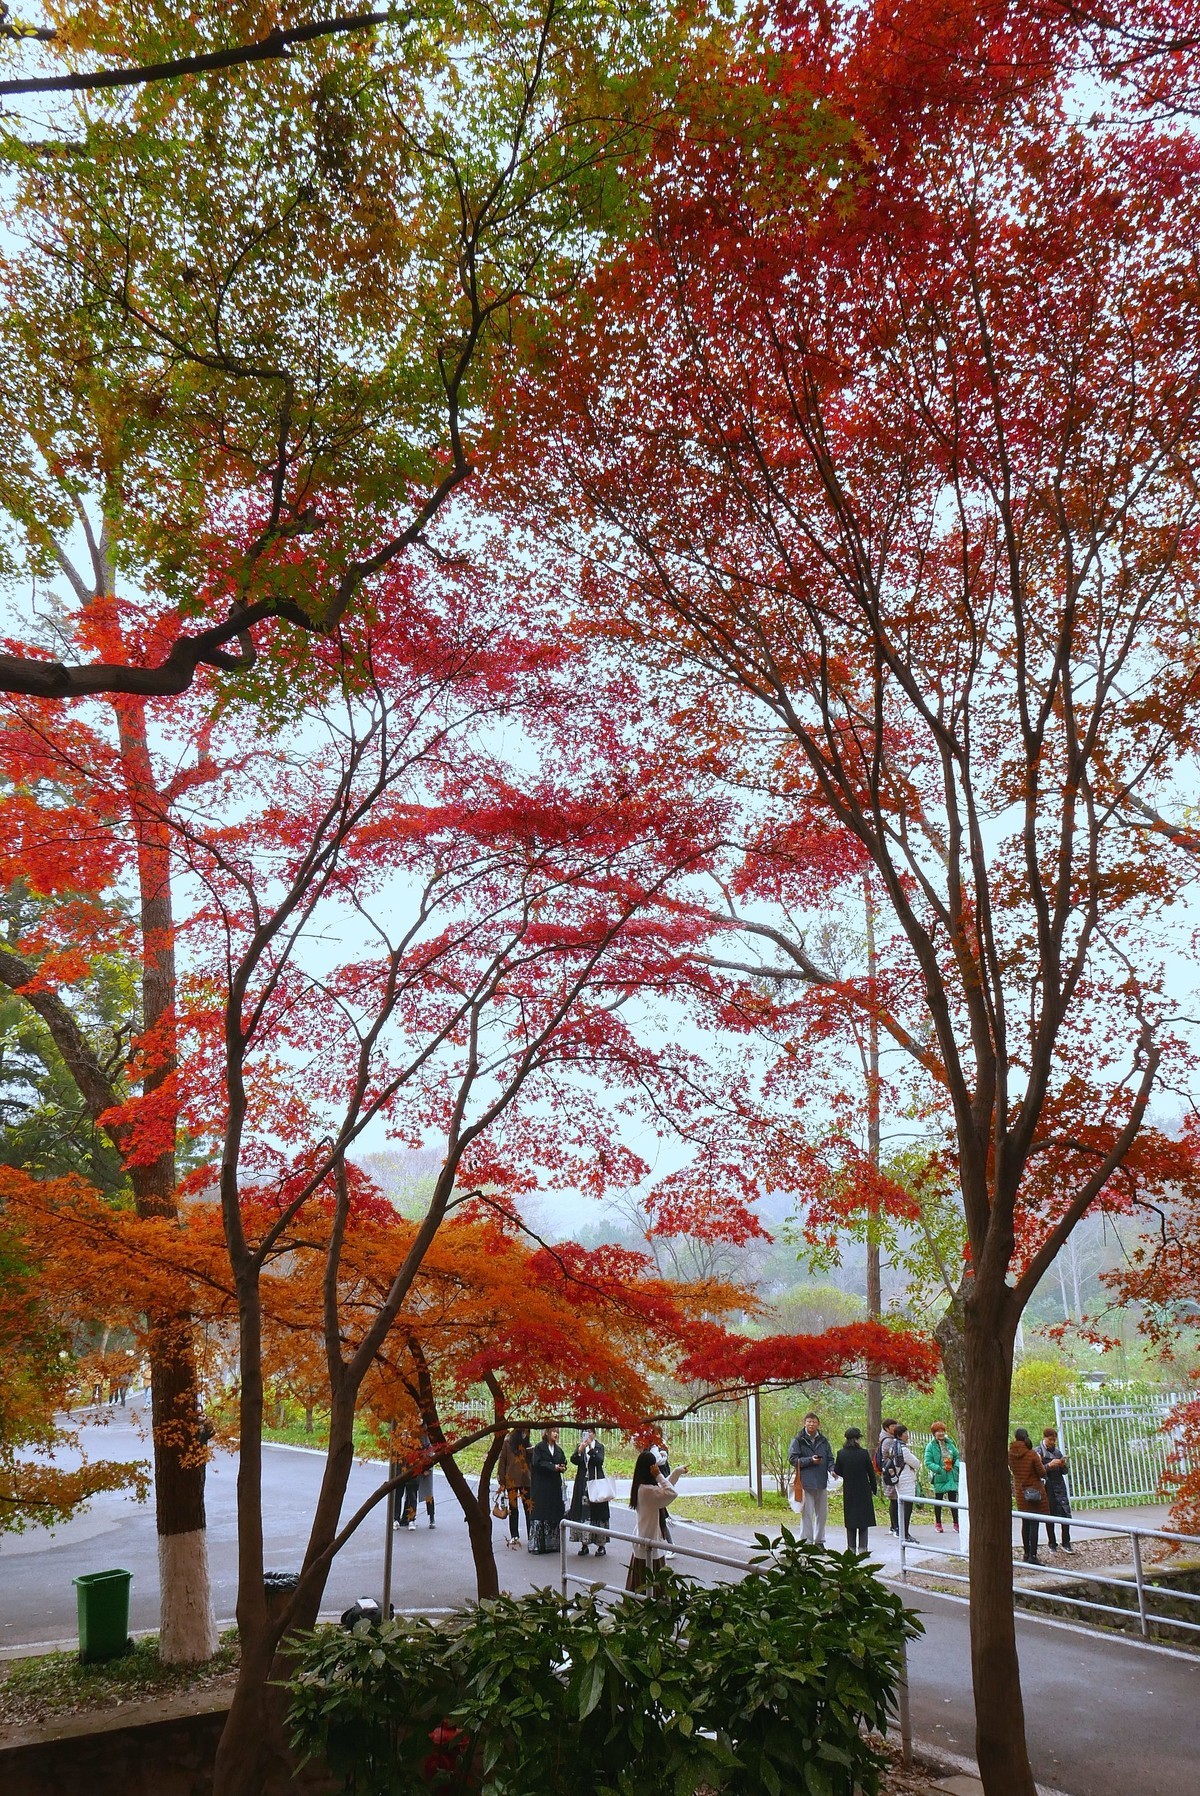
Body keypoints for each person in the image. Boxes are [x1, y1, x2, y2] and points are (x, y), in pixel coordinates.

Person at [625, 1448, 687, 1591]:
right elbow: (670, 1493)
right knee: (651, 1588)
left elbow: (664, 1489)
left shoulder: (642, 1487)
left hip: (644, 1539)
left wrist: (676, 1472)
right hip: (650, 1543)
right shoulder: (648, 1491)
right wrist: (659, 1475)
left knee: (641, 1586)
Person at [788, 1411, 835, 1546]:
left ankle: (819, 1541)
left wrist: (832, 1469)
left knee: (822, 1514)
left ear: (818, 1424)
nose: (811, 1424)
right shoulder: (798, 1440)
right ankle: (807, 1542)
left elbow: (830, 1458)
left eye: (814, 1422)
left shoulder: (823, 1440)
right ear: (804, 1423)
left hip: (821, 1481)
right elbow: (793, 1459)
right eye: (809, 1421)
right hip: (806, 1482)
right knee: (807, 1514)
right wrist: (810, 1460)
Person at [833, 1426, 877, 1554]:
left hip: (849, 1489)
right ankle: (863, 1548)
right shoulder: (863, 1453)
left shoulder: (841, 1453)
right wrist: (873, 1488)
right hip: (863, 1489)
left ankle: (851, 1548)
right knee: (863, 1520)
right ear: (857, 1439)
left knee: (851, 1520)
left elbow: (837, 1470)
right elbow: (870, 1472)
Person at [1009, 1427, 1049, 1564]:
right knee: (1034, 1523)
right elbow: (1042, 1472)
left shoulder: (1010, 1454)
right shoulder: (1032, 1454)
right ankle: (1033, 1555)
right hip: (1034, 1492)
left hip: (1020, 1492)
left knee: (1025, 1523)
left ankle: (1026, 1553)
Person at [568, 1429, 610, 1557]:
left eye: (590, 1432)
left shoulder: (599, 1446)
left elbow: (599, 1461)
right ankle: (584, 1544)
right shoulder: (581, 1446)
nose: (588, 1434)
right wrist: (580, 1450)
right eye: (585, 1432)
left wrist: (591, 1449)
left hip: (596, 1482)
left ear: (594, 1434)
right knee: (583, 1512)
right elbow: (573, 1460)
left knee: (598, 1513)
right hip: (582, 1483)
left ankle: (601, 1545)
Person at [528, 1426, 568, 1554]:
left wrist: (562, 1467)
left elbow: (563, 1461)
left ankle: (553, 1544)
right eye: (553, 1432)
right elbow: (537, 1463)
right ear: (547, 1433)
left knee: (553, 1513)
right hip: (541, 1485)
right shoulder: (539, 1448)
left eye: (557, 1432)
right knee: (540, 1513)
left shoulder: (558, 1450)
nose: (556, 1434)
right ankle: (537, 1545)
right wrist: (552, 1467)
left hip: (554, 1486)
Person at [1037, 1428, 1074, 1553]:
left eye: (1054, 1440)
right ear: (1044, 1438)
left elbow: (1065, 1472)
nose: (1052, 1442)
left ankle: (1066, 1542)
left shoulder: (1057, 1452)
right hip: (1047, 1487)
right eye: (1050, 1440)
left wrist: (1062, 1465)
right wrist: (1049, 1465)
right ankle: (1052, 1543)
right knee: (1049, 1515)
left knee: (1065, 1514)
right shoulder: (1038, 1452)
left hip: (1059, 1486)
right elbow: (1037, 1470)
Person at [497, 1425, 532, 1550]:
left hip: (525, 1480)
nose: (526, 1434)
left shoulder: (527, 1444)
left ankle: (531, 1534)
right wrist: (502, 1480)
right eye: (524, 1432)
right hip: (511, 1481)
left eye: (527, 1432)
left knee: (528, 1508)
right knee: (513, 1508)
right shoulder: (507, 1443)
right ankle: (514, 1535)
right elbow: (502, 1462)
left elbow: (531, 1463)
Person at [922, 1422, 960, 1532]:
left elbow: (957, 1456)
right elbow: (928, 1462)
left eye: (942, 1431)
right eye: (938, 1431)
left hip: (951, 1475)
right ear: (934, 1433)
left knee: (953, 1500)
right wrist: (939, 1469)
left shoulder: (950, 1444)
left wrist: (955, 1467)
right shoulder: (931, 1446)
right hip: (940, 1476)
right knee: (938, 1500)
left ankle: (956, 1523)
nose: (941, 1433)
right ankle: (938, 1523)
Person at [890, 1425, 922, 1541]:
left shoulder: (893, 1447)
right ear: (900, 1435)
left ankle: (902, 1531)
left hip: (899, 1480)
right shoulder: (903, 1450)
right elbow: (917, 1463)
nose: (907, 1436)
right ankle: (905, 1533)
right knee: (907, 1508)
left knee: (902, 1507)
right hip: (906, 1481)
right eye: (905, 1433)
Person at [401, 1433, 436, 1529]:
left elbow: (430, 1451)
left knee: (428, 1494)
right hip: (413, 1467)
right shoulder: (411, 1434)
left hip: (425, 1467)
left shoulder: (426, 1435)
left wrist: (428, 1468)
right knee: (411, 1494)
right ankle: (408, 1517)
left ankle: (432, 1517)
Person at [877, 1419, 901, 1535]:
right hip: (890, 1473)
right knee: (894, 1500)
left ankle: (894, 1526)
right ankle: (895, 1526)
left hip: (890, 1472)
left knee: (895, 1500)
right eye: (892, 1426)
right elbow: (889, 1456)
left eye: (895, 1425)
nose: (894, 1427)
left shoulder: (889, 1438)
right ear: (886, 1428)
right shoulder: (888, 1440)